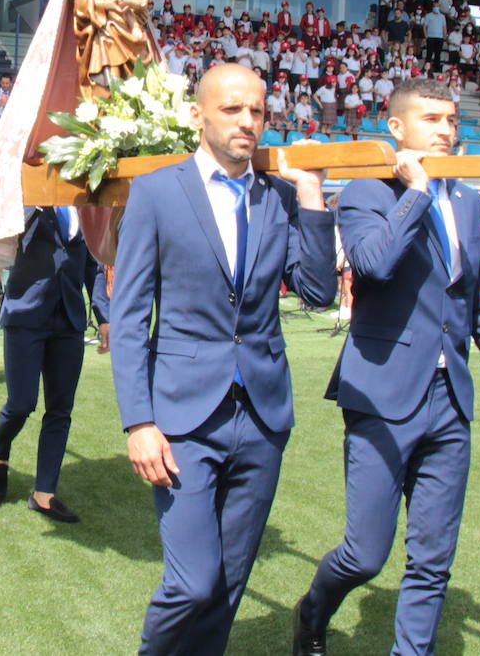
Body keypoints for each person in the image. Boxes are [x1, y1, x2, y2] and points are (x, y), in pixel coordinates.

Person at [293, 77, 480, 656]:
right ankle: (313, 609)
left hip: (450, 400)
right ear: (396, 128)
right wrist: (417, 191)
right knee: (366, 553)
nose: (448, 130)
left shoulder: (471, 201)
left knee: (432, 559)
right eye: (432, 119)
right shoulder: (365, 192)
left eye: (452, 119)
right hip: (381, 394)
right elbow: (373, 266)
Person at [112, 64, 336, 654]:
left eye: (257, 111)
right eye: (233, 109)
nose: (247, 122)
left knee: (230, 583)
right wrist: (139, 421)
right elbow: (130, 317)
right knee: (192, 582)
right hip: (181, 418)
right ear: (197, 115)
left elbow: (318, 292)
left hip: (261, 418)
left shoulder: (281, 198)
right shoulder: (157, 192)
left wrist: (312, 196)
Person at [0, 201, 105, 523]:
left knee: (60, 409)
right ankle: (0, 447)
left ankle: (44, 493)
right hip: (26, 313)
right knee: (21, 403)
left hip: (69, 318)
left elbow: (91, 263)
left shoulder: (84, 203)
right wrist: (30, 203)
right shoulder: (25, 201)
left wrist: (103, 316)